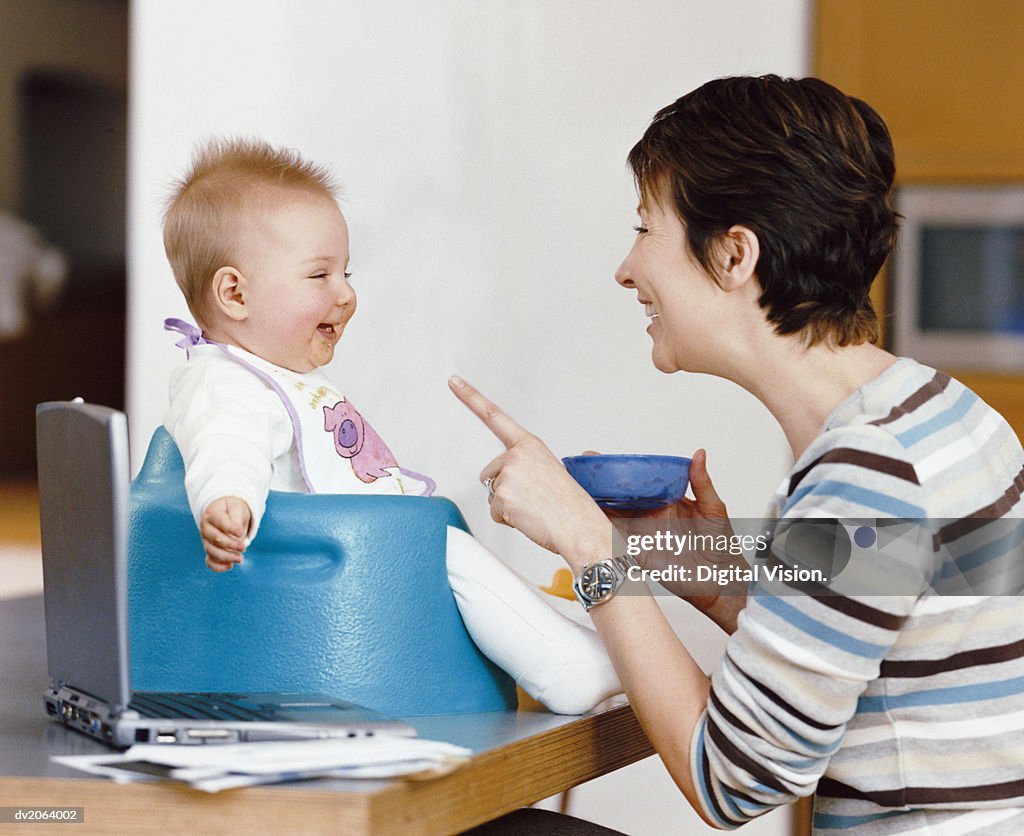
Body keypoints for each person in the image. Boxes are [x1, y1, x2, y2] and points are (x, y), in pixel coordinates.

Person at [450, 75, 1024, 833]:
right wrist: (722, 584)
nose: (627, 268)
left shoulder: (866, 471)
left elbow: (731, 782)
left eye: (646, 229)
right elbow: (891, 655)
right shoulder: (940, 415)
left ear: (732, 255)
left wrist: (591, 547)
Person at [160, 137, 622, 716]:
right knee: (445, 552)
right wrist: (226, 502)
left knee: (454, 550)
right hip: (316, 573)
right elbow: (225, 444)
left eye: (345, 272)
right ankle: (569, 667)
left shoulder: (273, 374)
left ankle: (552, 632)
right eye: (319, 275)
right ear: (234, 293)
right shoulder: (223, 382)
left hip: (360, 559)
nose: (347, 294)